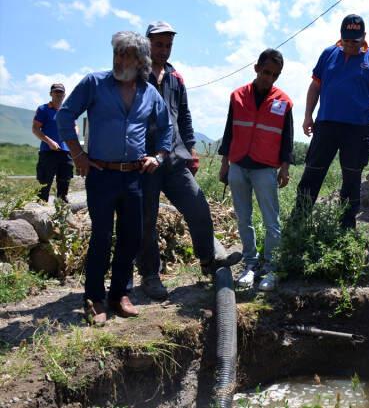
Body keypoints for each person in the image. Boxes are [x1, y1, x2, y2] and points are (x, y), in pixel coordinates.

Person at [57, 31, 173, 325]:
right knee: (101, 237)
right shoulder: (94, 83)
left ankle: (119, 294)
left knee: (131, 237)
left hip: (135, 177)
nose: (120, 60)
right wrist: (78, 155)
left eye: (127, 55)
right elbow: (64, 116)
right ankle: (94, 299)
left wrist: (157, 157)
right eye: (117, 53)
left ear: (141, 60)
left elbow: (166, 129)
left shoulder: (149, 93)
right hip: (100, 174)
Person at [134, 21, 240, 301]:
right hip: (144, 161)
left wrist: (190, 149)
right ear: (147, 43)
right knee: (146, 219)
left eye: (168, 45)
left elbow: (184, 116)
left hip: (174, 158)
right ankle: (150, 275)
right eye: (159, 44)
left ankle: (209, 260)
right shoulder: (134, 74)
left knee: (197, 205)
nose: (164, 50)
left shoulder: (175, 77)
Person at [294, 14, 369, 229]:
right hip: (326, 124)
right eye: (346, 40)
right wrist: (308, 115)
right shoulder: (328, 54)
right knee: (313, 172)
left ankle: (346, 226)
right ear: (341, 36)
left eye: (354, 41)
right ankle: (299, 221)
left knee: (352, 178)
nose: (349, 45)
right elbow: (315, 87)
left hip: (357, 129)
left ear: (363, 37)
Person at [218, 48, 293, 291]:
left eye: (274, 74)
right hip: (239, 165)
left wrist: (285, 169)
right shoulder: (237, 96)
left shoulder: (284, 102)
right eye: (265, 72)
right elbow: (229, 132)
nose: (269, 78)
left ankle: (270, 268)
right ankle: (250, 265)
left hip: (265, 169)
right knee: (243, 219)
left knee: (272, 223)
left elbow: (287, 139)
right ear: (256, 68)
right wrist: (224, 164)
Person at [32, 83, 74, 203]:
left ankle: (62, 212)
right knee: (43, 186)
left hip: (66, 152)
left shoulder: (68, 111)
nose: (58, 94)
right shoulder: (43, 109)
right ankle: (39, 213)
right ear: (51, 94)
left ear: (64, 95)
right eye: (56, 92)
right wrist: (49, 141)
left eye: (61, 92)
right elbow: (35, 129)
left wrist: (73, 132)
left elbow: (74, 126)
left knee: (64, 184)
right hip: (48, 151)